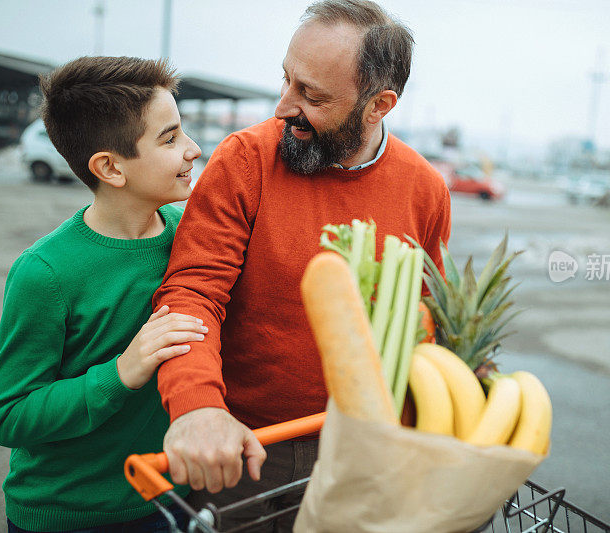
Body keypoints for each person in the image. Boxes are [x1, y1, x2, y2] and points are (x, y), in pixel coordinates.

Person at [154, 0, 451, 529]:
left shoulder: (425, 190)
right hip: (242, 446)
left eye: (312, 95)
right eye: (286, 80)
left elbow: (431, 323)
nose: (283, 107)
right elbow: (194, 293)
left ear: (378, 105)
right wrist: (198, 405)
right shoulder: (245, 159)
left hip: (365, 451)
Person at [0, 56, 206, 533]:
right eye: (169, 138)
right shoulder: (44, 272)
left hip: (171, 497)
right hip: (69, 514)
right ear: (110, 167)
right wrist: (122, 372)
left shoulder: (190, 235)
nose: (193, 148)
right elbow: (9, 416)